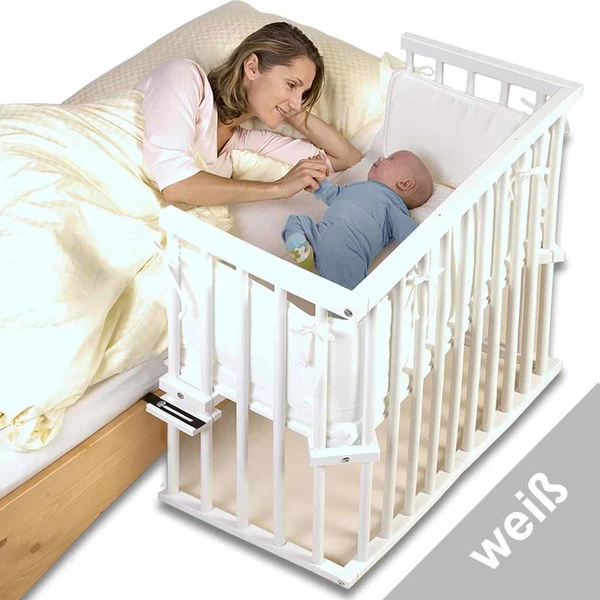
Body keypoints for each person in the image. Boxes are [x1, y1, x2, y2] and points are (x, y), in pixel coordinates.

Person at [135, 22, 361, 207]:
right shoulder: (184, 77)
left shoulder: (244, 142)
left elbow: (345, 158)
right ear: (252, 67)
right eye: (292, 84)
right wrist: (279, 188)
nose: (298, 102)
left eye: (303, 94)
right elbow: (176, 185)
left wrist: (289, 106)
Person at [282, 150, 433, 289]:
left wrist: (430, 248)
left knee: (348, 292)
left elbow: (414, 238)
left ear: (405, 183)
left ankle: (344, 308)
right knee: (296, 221)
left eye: (391, 159)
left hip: (348, 250)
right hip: (319, 233)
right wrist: (319, 182)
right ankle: (302, 250)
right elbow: (334, 194)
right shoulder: (357, 187)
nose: (381, 158)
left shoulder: (393, 206)